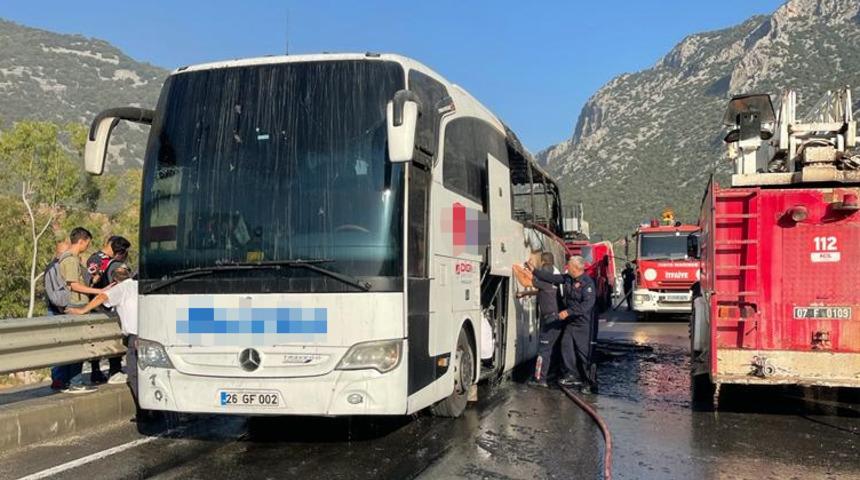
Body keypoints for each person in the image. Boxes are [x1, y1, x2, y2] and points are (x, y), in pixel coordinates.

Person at [68, 267, 139, 402]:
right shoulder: (139, 285)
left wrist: (82, 310)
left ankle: (144, 412)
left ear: (114, 280)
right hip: (150, 334)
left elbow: (102, 297)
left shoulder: (120, 288)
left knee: (134, 375)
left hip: (135, 337)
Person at [48, 227, 105, 393]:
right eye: (87, 243)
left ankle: (70, 381)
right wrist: (99, 291)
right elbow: (74, 285)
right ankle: (75, 382)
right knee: (78, 346)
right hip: (76, 306)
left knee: (75, 345)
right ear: (82, 241)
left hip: (74, 305)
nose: (87, 246)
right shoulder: (71, 260)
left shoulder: (69, 259)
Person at [530, 255, 597, 394]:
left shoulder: (587, 283)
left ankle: (590, 383)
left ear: (577, 268)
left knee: (584, 355)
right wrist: (534, 271)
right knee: (565, 347)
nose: (567, 268)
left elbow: (587, 305)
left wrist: (568, 312)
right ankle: (572, 374)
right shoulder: (568, 278)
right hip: (570, 323)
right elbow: (552, 278)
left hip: (583, 324)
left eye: (569, 266)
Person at [85, 236, 131, 383]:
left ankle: (96, 371)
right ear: (121, 252)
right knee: (114, 339)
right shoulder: (116, 264)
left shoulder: (94, 259)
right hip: (109, 306)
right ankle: (114, 370)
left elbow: (89, 281)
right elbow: (123, 284)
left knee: (95, 341)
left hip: (94, 305)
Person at [517, 252, 564, 388]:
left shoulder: (546, 272)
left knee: (543, 351)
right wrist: (526, 293)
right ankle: (550, 374)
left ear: (543, 262)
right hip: (556, 318)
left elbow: (529, 281)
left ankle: (540, 379)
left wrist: (522, 268)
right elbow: (543, 290)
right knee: (551, 349)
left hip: (550, 319)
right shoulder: (554, 275)